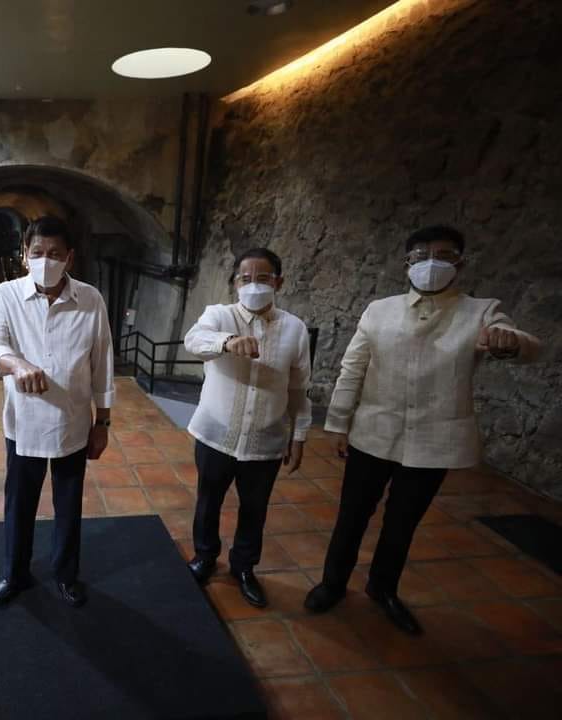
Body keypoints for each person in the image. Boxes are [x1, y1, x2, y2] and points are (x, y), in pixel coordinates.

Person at [305, 225, 542, 634]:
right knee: (352, 515)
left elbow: (528, 347)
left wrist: (511, 341)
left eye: (443, 255)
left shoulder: (480, 312)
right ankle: (333, 583)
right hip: (374, 433)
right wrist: (338, 423)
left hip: (434, 441)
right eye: (420, 256)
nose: (431, 263)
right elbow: (353, 368)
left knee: (403, 522)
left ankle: (383, 587)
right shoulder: (379, 310)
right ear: (407, 264)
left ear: (460, 264)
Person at [0, 215, 115, 608]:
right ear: (26, 255)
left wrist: (103, 422)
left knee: (68, 507)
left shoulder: (90, 299)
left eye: (55, 253)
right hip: (24, 422)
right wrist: (16, 364)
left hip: (73, 422)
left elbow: (102, 363)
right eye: (38, 252)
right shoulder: (6, 295)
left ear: (69, 257)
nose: (46, 260)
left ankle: (66, 574)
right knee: (19, 504)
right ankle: (14, 573)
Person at [182, 248, 312, 608]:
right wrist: (226, 341)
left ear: (279, 282)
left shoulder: (294, 329)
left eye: (263, 278)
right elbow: (194, 340)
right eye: (246, 278)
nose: (254, 285)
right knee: (208, 501)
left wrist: (299, 435)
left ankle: (243, 567)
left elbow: (299, 388)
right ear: (235, 283)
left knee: (255, 508)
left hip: (265, 438)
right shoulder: (219, 315)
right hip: (216, 434)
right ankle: (205, 556)